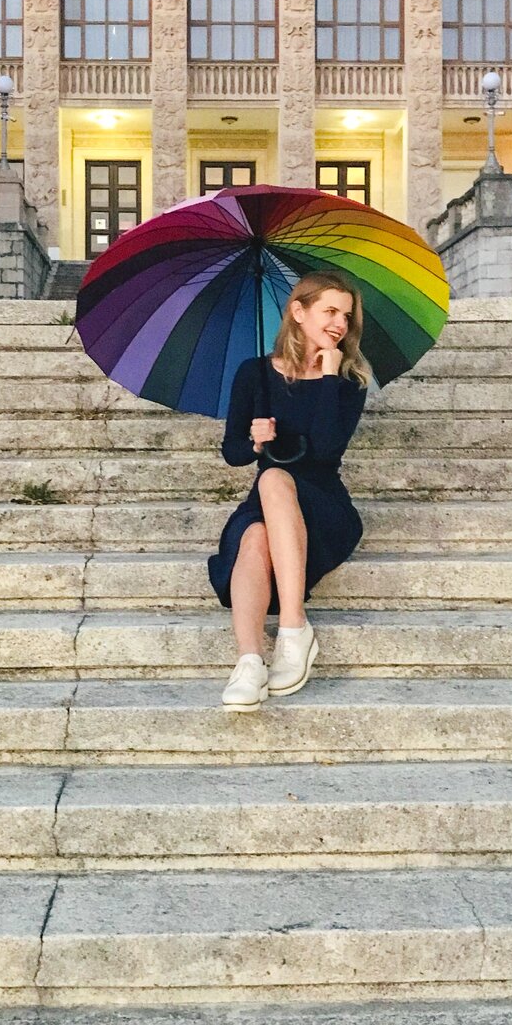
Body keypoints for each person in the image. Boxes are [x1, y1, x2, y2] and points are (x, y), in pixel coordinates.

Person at [207, 270, 371, 712]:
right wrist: (255, 441)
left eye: (346, 316)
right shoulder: (255, 373)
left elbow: (326, 449)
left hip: (323, 503)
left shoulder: (350, 381)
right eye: (330, 311)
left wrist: (330, 377)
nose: (340, 324)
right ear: (298, 312)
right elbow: (233, 453)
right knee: (254, 535)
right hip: (267, 504)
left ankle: (294, 628)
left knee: (273, 478)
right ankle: (250, 662)